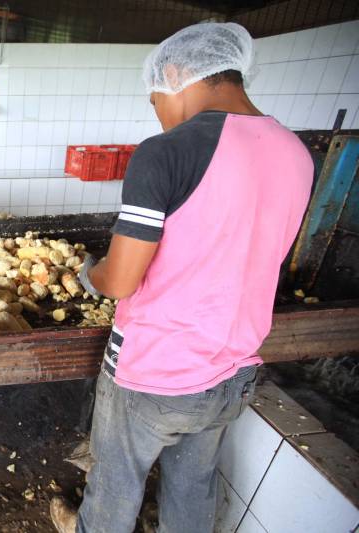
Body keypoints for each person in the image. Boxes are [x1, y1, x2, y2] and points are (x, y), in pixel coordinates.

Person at [50, 23, 313, 533]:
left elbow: (121, 280)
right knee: (194, 482)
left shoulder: (167, 151)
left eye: (155, 100)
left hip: (157, 370)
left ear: (174, 74)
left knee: (115, 484)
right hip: (233, 369)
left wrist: (91, 273)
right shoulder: (295, 152)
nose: (159, 114)